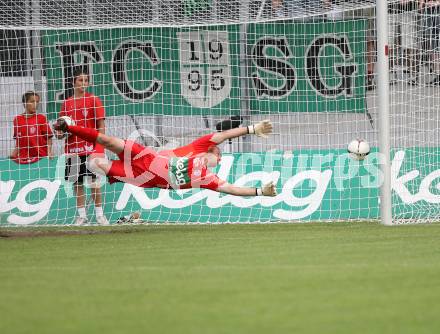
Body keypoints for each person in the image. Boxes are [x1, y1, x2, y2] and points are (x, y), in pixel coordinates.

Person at [53, 118, 278, 197]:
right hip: (146, 155)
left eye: (219, 158)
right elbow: (224, 135)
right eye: (217, 152)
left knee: (96, 162)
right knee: (109, 141)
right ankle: (70, 127)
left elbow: (233, 190)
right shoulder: (197, 146)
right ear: (211, 150)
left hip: (142, 176)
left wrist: (260, 192)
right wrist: (250, 129)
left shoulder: (206, 178)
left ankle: (85, 152)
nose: (219, 156)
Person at [56, 68, 109, 225]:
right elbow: (61, 129)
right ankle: (82, 216)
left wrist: (100, 146)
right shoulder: (66, 103)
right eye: (80, 80)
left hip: (90, 148)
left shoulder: (94, 100)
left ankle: (100, 215)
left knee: (94, 181)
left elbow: (101, 124)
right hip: (72, 149)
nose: (83, 83)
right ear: (73, 82)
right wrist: (60, 133)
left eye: (86, 80)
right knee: (76, 182)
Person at [10, 91, 53, 164]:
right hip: (23, 159)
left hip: (40, 158)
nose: (35, 104)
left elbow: (49, 137)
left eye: (37, 102)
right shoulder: (17, 120)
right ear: (25, 103)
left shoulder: (41, 118)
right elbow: (19, 141)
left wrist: (49, 152)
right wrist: (13, 154)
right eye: (32, 101)